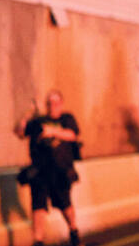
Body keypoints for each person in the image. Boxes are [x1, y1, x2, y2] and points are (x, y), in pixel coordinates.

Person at [14, 90, 82, 246]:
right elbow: (19, 132)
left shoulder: (67, 118)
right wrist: (28, 112)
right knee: (38, 206)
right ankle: (38, 240)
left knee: (65, 205)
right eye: (50, 103)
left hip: (60, 170)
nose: (53, 106)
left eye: (56, 103)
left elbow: (72, 135)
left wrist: (52, 131)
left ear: (61, 104)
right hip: (40, 171)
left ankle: (73, 230)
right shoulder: (38, 121)